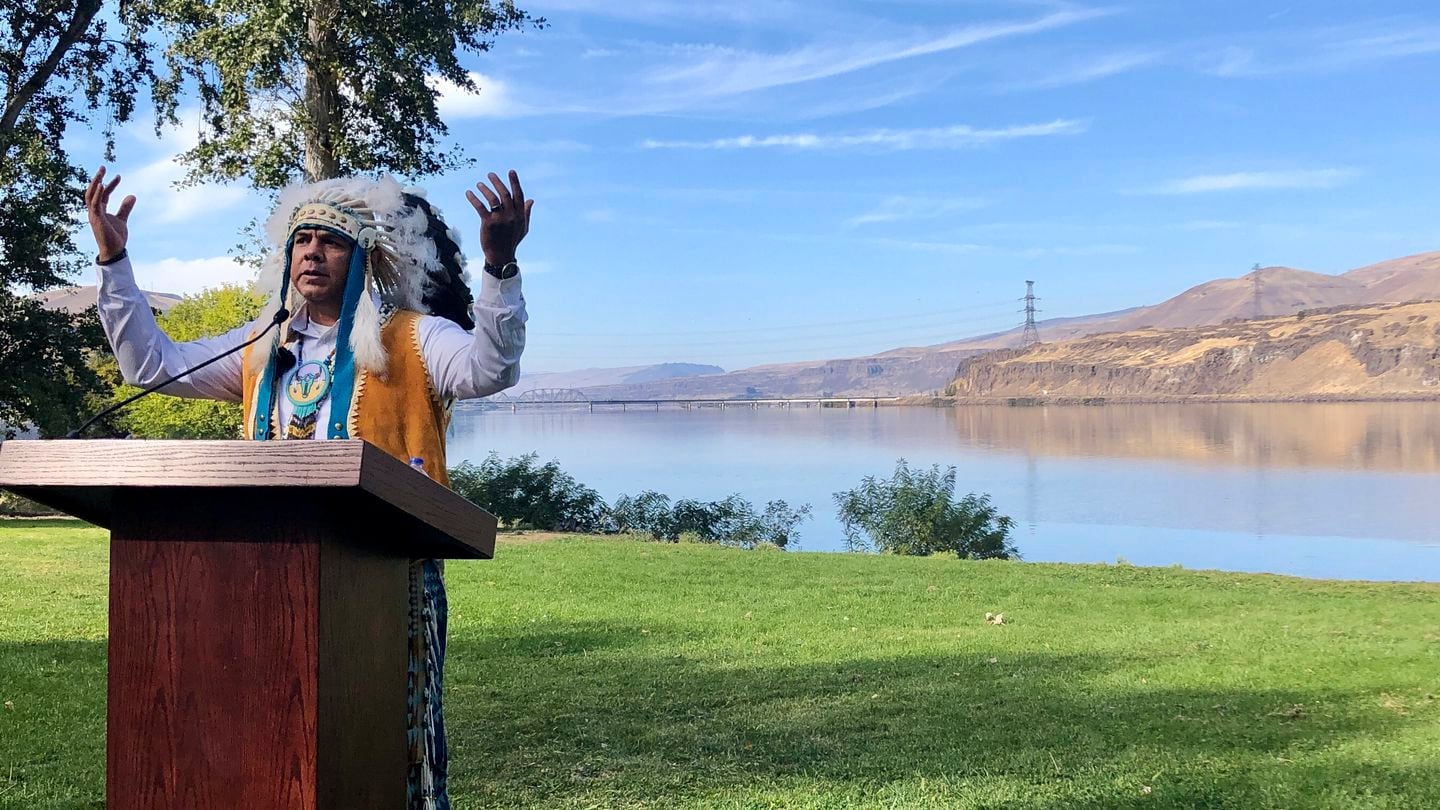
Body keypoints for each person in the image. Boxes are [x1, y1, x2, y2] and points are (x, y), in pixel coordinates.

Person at [84, 165, 532, 810]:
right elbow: (149, 364)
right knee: (273, 729)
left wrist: (501, 267)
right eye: (302, 241)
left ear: (365, 258)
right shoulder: (262, 347)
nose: (313, 253)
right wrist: (115, 260)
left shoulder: (414, 337)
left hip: (384, 573)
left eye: (332, 241)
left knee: (382, 728)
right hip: (263, 571)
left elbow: (492, 368)